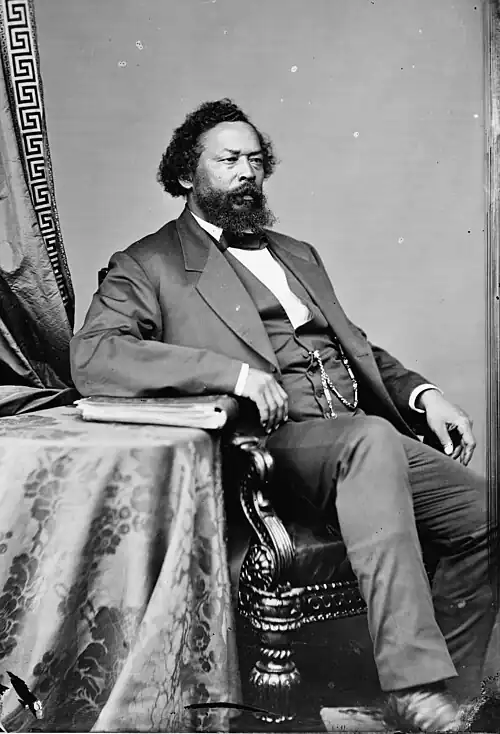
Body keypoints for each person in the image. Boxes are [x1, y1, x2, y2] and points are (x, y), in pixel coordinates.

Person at [70, 98, 496, 732]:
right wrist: (233, 375)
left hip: (361, 441)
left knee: (484, 516)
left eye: (255, 159)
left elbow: (352, 346)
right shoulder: (149, 263)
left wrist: (422, 394)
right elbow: (95, 355)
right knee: (369, 439)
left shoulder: (297, 253)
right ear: (186, 173)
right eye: (228, 160)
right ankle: (413, 685)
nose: (247, 171)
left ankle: (445, 702)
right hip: (270, 447)